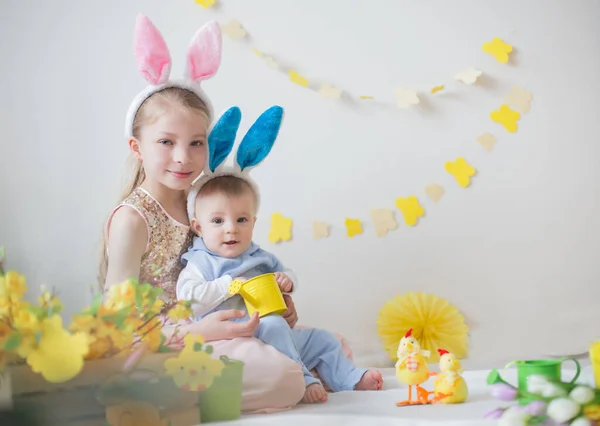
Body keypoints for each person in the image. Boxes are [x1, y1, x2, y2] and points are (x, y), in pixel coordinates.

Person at [99, 15, 305, 412]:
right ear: (137, 147)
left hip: (220, 329)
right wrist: (198, 332)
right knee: (283, 375)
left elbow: (235, 265)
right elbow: (116, 328)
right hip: (159, 350)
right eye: (166, 142)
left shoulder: (201, 201)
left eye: (196, 143)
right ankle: (154, 400)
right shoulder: (132, 220)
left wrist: (271, 301)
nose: (183, 157)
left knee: (315, 344)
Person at [176, 105, 384, 404]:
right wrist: (229, 285)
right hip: (234, 336)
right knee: (273, 326)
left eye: (242, 220)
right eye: (218, 221)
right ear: (198, 226)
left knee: (321, 338)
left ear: (254, 223)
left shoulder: (258, 256)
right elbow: (189, 302)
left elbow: (284, 273)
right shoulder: (200, 263)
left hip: (274, 331)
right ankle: (304, 376)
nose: (231, 230)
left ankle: (350, 379)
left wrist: (287, 281)